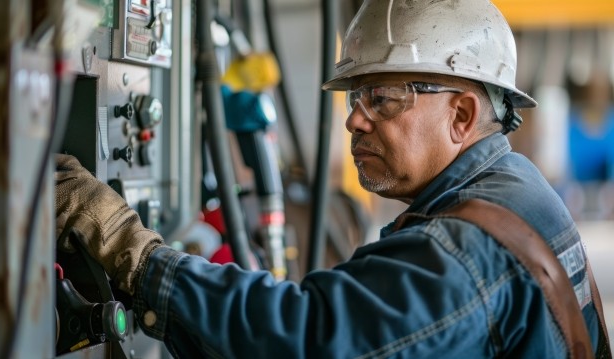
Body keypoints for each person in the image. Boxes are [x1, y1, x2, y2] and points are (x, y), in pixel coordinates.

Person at [55, 0, 608, 357]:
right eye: (356, 96)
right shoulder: (513, 184)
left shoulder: (463, 251)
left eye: (382, 98)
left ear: (462, 115)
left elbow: (308, 337)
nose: (354, 118)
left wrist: (136, 252)